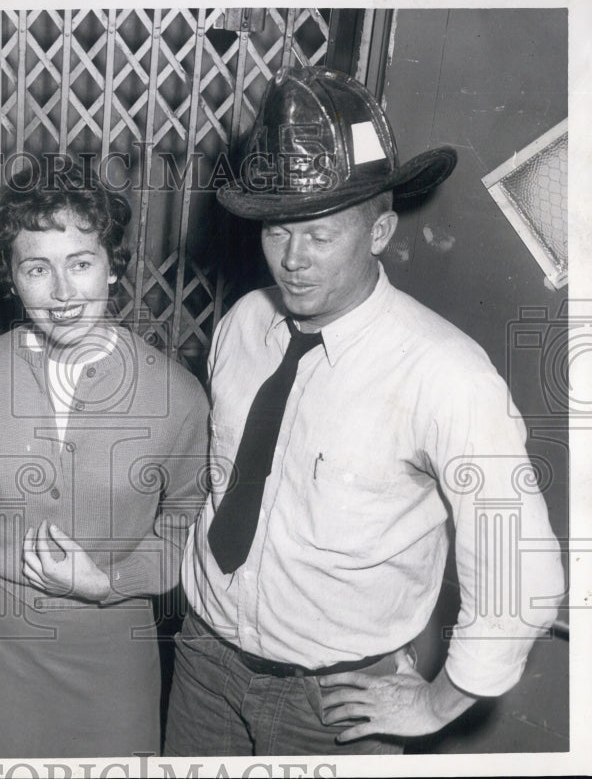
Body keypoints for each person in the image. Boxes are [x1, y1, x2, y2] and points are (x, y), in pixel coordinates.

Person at [163, 67, 566, 756]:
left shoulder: (444, 373)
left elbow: (519, 566)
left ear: (379, 230)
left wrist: (442, 701)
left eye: (319, 234)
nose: (292, 259)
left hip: (335, 706)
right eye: (276, 231)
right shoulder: (242, 325)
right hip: (204, 664)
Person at [0, 158, 209, 758]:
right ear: (12, 278)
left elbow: (189, 525)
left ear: (112, 268)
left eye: (81, 263)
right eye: (36, 269)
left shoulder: (176, 395)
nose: (62, 293)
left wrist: (112, 582)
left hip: (115, 651)